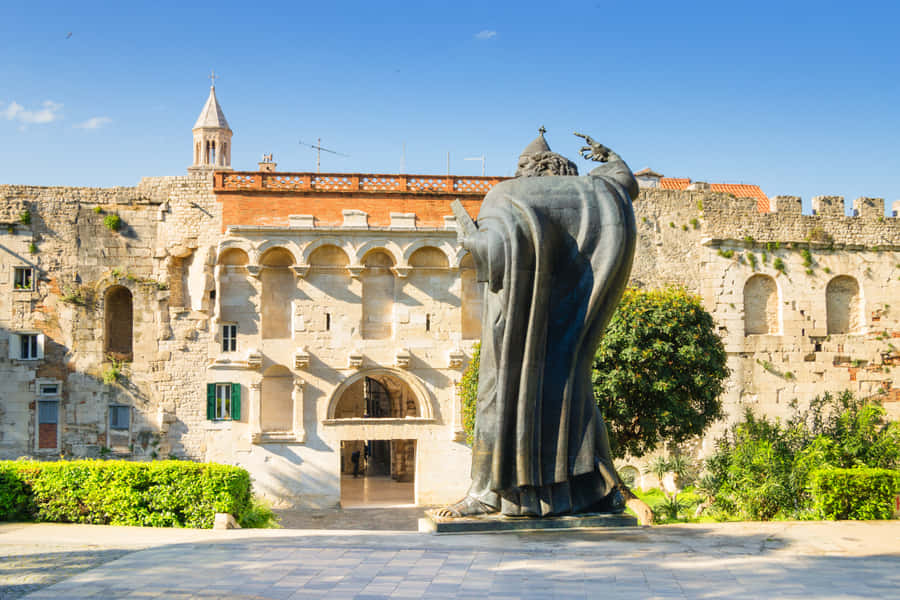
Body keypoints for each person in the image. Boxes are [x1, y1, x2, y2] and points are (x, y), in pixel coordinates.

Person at [437, 131, 637, 518]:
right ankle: (593, 489)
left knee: (496, 399)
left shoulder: (510, 194)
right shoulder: (595, 192)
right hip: (571, 323)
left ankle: (486, 494)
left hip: (516, 324)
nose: (517, 172)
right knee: (573, 396)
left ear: (536, 168)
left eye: (521, 167)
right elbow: (623, 183)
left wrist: (469, 238)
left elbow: (495, 254)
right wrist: (609, 156)